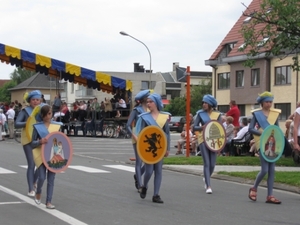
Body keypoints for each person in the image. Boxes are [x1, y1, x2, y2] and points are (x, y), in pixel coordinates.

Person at [135, 93, 170, 203]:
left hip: (160, 147)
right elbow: (140, 133)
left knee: (158, 170)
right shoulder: (144, 117)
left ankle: (156, 195)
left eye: (151, 102)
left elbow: (167, 134)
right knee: (149, 171)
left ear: (156, 103)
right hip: (148, 147)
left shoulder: (164, 117)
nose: (148, 104)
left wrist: (167, 148)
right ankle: (144, 186)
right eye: (148, 102)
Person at [248, 91, 281, 204]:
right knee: (265, 169)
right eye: (267, 102)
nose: (269, 104)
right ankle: (254, 188)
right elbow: (250, 129)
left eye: (271, 102)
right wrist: (261, 133)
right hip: (261, 142)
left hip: (272, 142)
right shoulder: (257, 114)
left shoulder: (274, 114)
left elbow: (277, 128)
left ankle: (270, 195)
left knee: (272, 170)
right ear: (262, 102)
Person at [30, 104, 62, 209]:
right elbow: (32, 143)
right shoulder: (37, 127)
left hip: (53, 155)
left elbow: (60, 140)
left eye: (50, 113)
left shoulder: (56, 126)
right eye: (48, 113)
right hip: (41, 154)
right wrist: (40, 141)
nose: (50, 115)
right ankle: (38, 191)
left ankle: (49, 201)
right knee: (42, 177)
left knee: (51, 179)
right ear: (43, 115)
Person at [15, 90, 43, 196]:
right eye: (33, 100)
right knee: (31, 163)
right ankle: (31, 188)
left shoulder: (42, 110)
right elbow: (17, 124)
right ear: (29, 101)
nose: (35, 102)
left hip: (40, 138)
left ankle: (34, 181)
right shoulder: (25, 111)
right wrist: (28, 122)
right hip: (27, 139)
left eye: (37, 99)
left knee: (41, 163)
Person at [194, 94, 222, 194]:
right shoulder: (200, 114)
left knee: (212, 164)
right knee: (206, 162)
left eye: (206, 103)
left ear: (210, 104)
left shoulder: (218, 115)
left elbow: (220, 129)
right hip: (202, 139)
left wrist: (220, 145)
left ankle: (206, 177)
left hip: (214, 140)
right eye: (203, 102)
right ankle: (208, 185)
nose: (204, 104)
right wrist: (201, 128)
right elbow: (194, 127)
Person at [126, 90, 149, 191]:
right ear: (143, 99)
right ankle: (140, 184)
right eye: (147, 97)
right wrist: (133, 135)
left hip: (148, 137)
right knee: (139, 161)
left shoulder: (150, 110)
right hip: (137, 136)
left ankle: (138, 175)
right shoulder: (136, 110)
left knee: (149, 161)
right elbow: (127, 125)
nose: (149, 99)